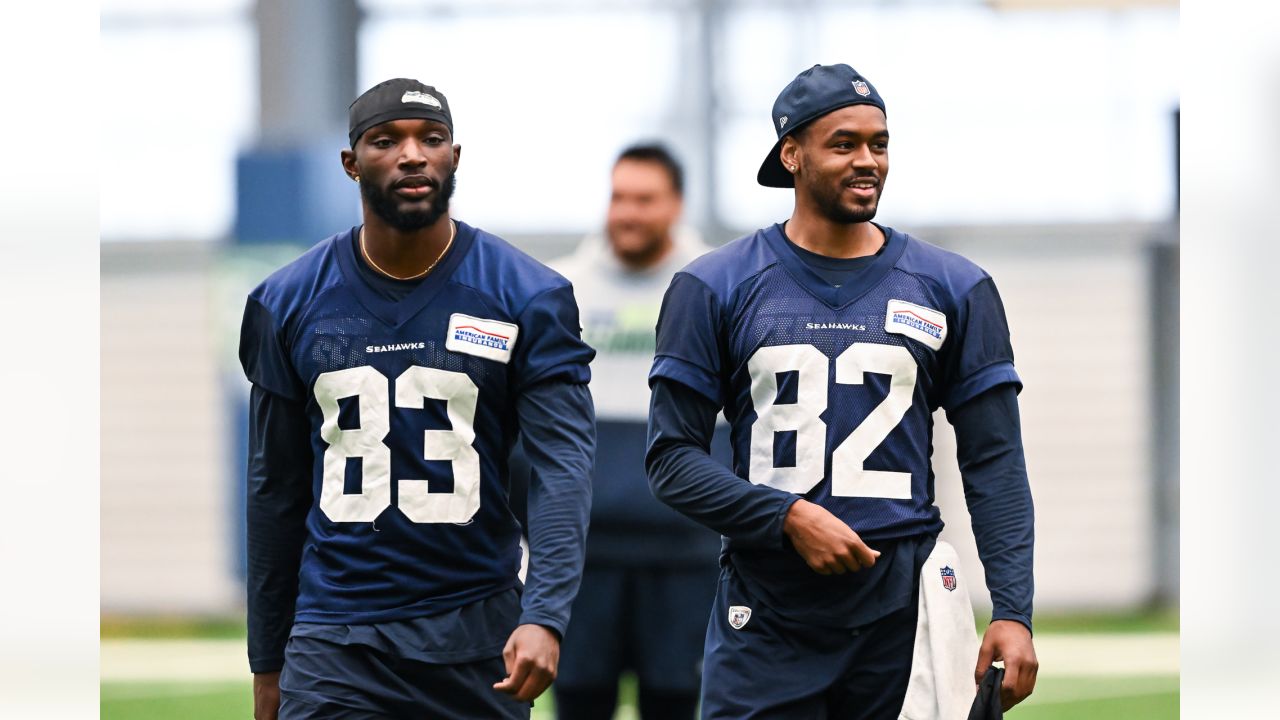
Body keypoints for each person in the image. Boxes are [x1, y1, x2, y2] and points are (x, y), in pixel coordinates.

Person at [645, 64, 1038, 719]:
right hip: (767, 610)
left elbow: (994, 461)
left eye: (879, 144)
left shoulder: (953, 287)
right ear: (790, 154)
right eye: (844, 143)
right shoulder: (714, 285)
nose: (868, 161)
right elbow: (671, 460)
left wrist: (1015, 610)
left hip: (899, 613)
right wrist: (786, 516)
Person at [238, 77, 596, 720]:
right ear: (351, 163)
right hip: (336, 638)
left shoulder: (525, 294)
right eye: (386, 140)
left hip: (475, 630)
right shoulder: (286, 301)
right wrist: (267, 658)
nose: (412, 155)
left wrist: (545, 614)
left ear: (454, 157)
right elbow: (274, 490)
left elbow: (561, 470)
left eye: (431, 139)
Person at [547, 144, 724, 720]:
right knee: (577, 702)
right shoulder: (559, 292)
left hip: (687, 555)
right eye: (619, 197)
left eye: (645, 199)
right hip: (583, 555)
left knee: (676, 704)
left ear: (675, 205)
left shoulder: (717, 290)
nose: (628, 213)